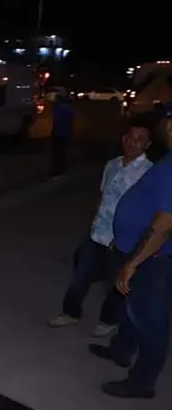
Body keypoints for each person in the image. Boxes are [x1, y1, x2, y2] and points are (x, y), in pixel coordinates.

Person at [89, 118, 172, 399]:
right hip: (135, 249)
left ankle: (142, 382)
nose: (167, 128)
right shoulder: (168, 160)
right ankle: (121, 350)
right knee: (130, 308)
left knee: (151, 321)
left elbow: (164, 224)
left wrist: (133, 263)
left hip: (153, 258)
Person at [48, 124, 153, 336]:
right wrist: (93, 224)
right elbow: (104, 197)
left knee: (115, 284)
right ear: (123, 138)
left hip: (122, 240)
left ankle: (108, 320)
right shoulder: (112, 164)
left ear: (147, 144)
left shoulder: (149, 173)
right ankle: (70, 312)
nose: (133, 142)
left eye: (139, 139)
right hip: (97, 234)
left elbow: (148, 212)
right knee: (80, 276)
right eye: (130, 136)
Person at [50, 89, 75, 176]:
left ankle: (57, 170)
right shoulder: (69, 107)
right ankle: (60, 169)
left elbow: (56, 119)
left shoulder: (58, 107)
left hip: (58, 132)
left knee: (57, 152)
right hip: (65, 132)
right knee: (62, 152)